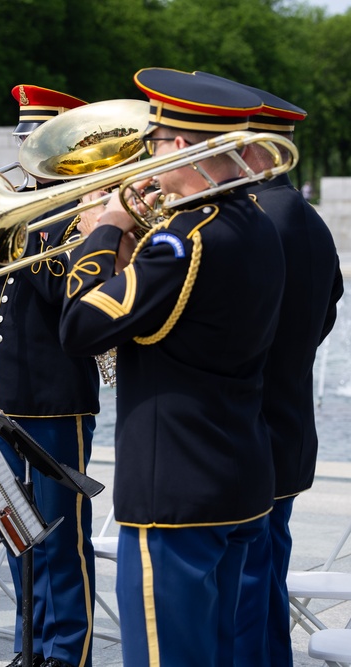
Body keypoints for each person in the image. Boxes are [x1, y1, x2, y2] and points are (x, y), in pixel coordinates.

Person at [58, 68, 284, 666]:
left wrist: (104, 229)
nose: (146, 158)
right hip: (237, 478)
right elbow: (180, 323)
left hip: (175, 492)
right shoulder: (254, 223)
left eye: (154, 144)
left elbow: (79, 327)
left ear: (181, 147)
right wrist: (128, 256)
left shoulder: (184, 239)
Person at [194, 75, 344, 666]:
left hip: (246, 431)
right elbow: (323, 315)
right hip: (285, 423)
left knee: (242, 600)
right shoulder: (305, 218)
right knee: (263, 583)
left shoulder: (253, 221)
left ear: (250, 149)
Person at [0, 85, 99, 667]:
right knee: (16, 533)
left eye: (33, 138)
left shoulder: (80, 212)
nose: (22, 148)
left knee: (61, 539)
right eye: (20, 137)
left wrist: (23, 225)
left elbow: (70, 296)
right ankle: (28, 646)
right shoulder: (14, 208)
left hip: (55, 401)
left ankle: (66, 652)